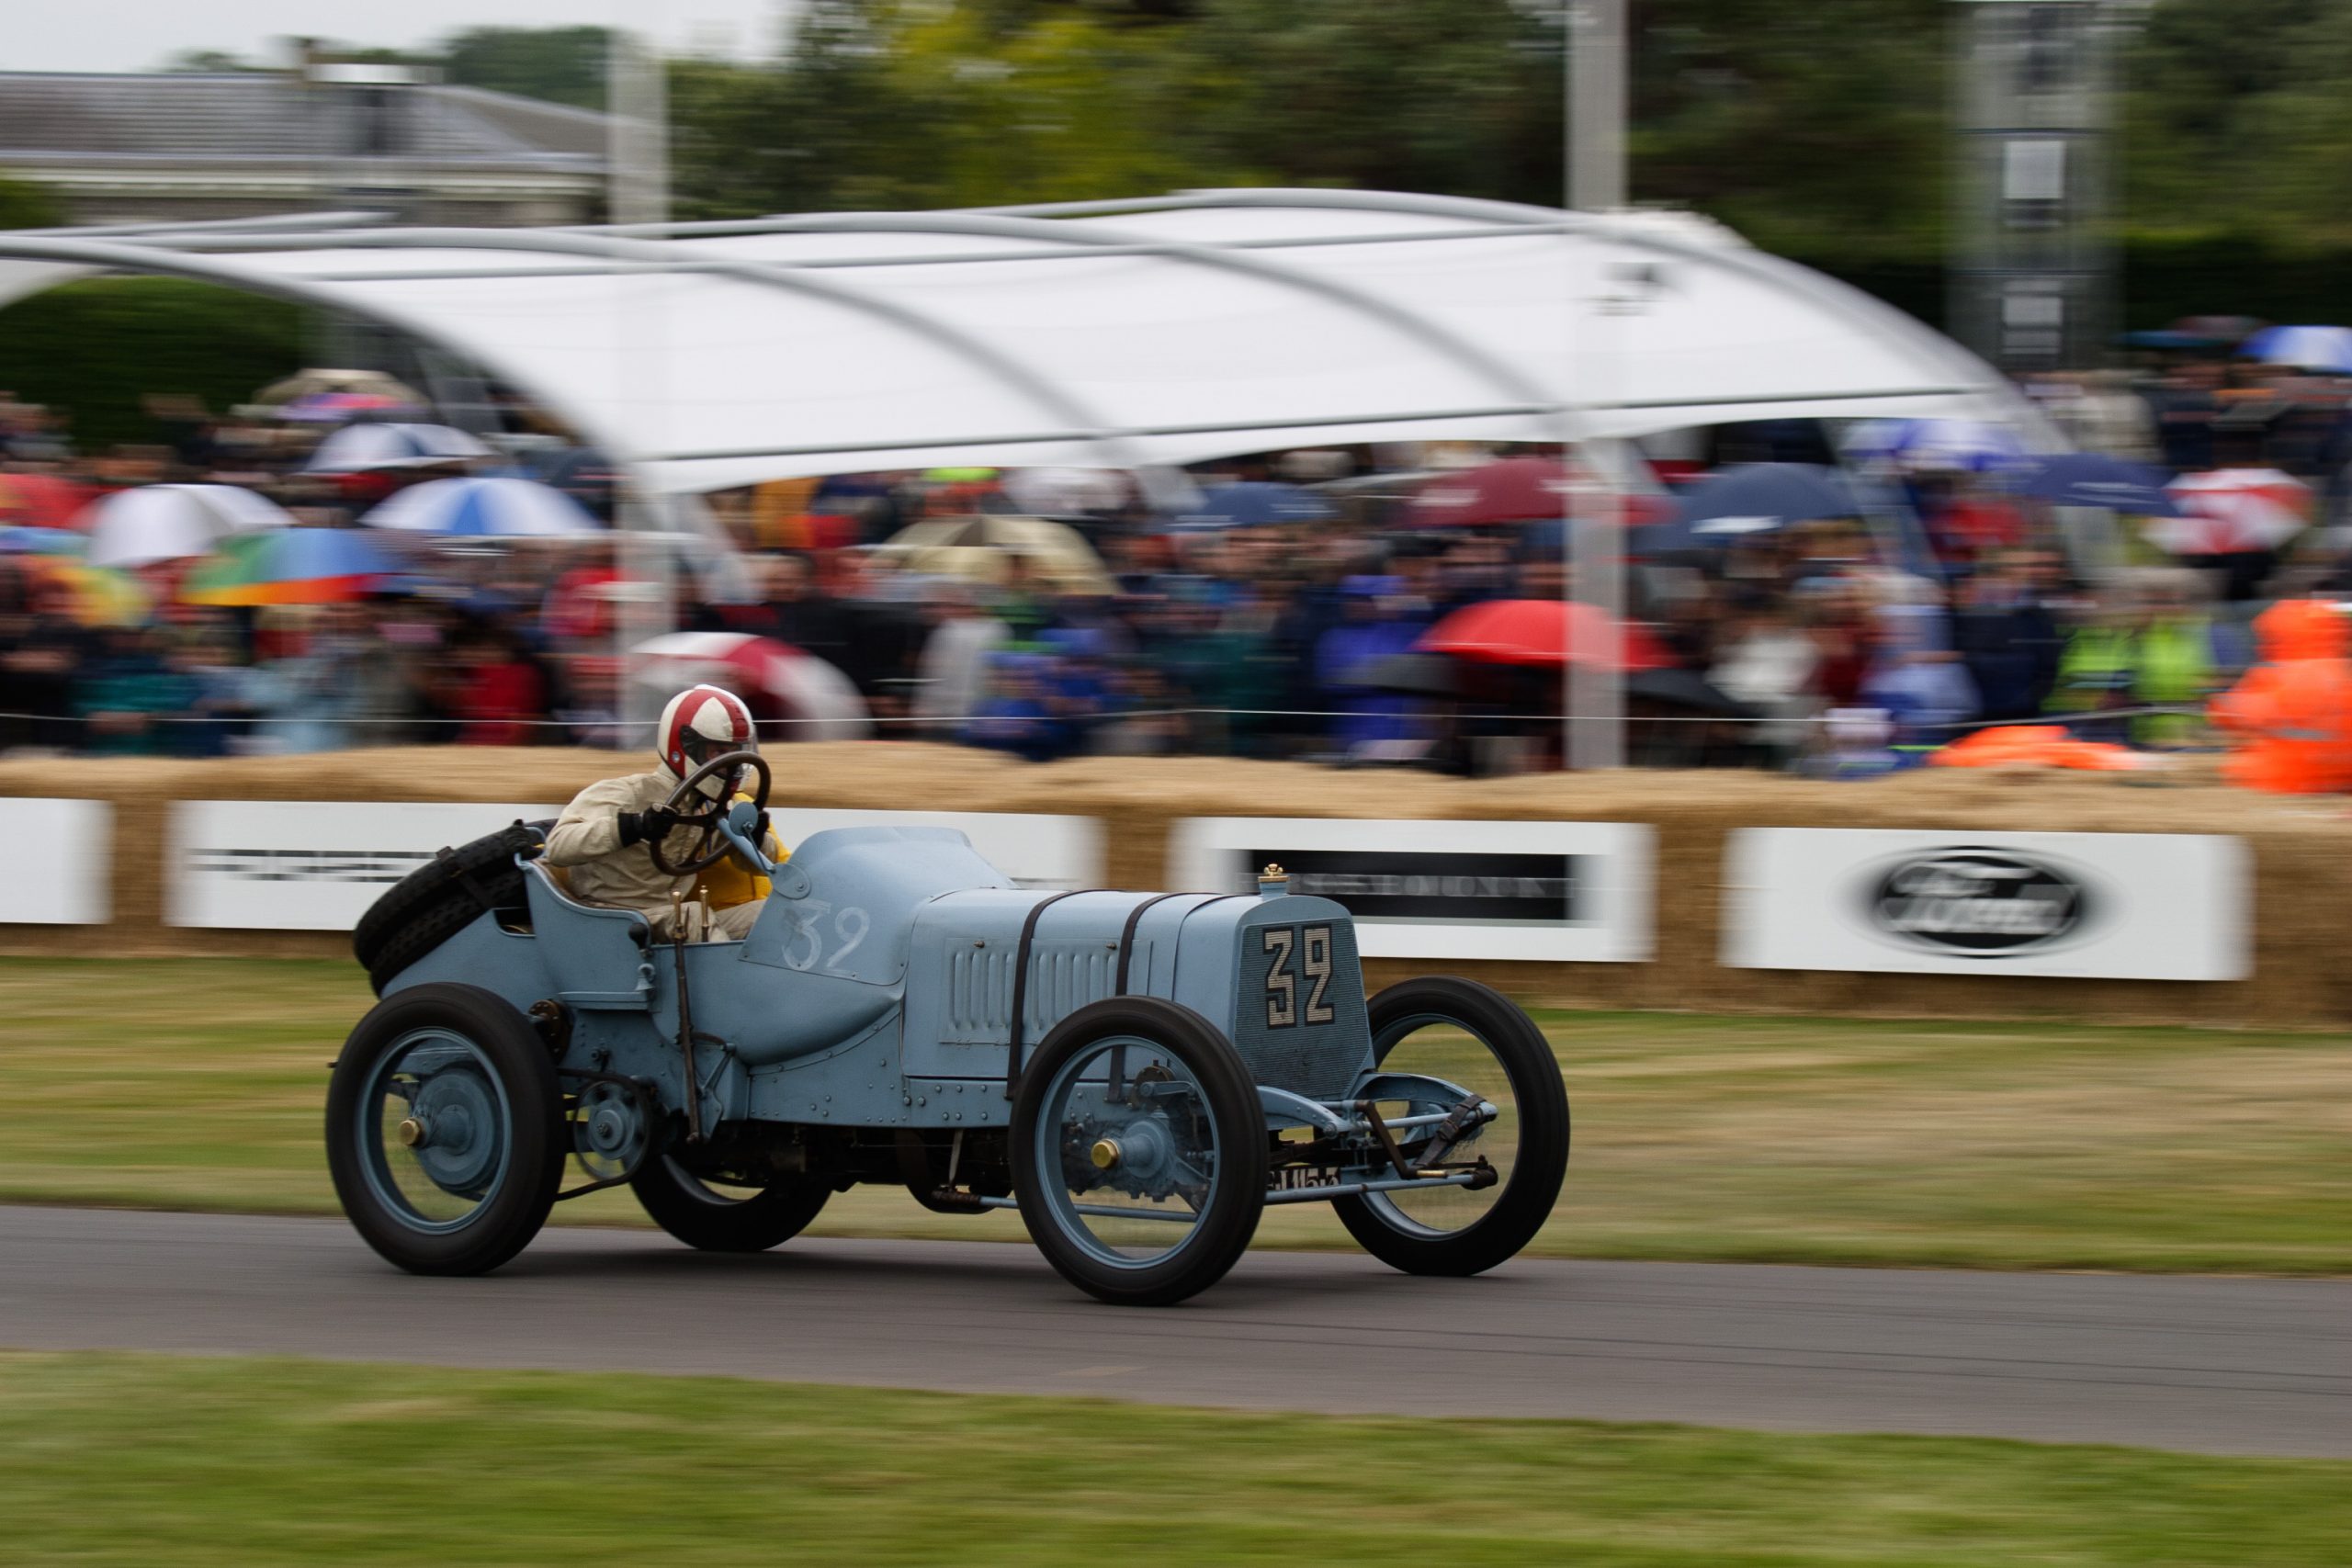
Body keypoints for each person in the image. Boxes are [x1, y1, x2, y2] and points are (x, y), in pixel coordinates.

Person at [544, 684, 781, 940]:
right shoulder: (626, 792)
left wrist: (755, 839)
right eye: (719, 752)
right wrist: (633, 826)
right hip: (611, 919)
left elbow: (756, 866)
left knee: (776, 912)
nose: (730, 763)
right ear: (687, 746)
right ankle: (731, 980)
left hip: (668, 916)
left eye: (736, 753)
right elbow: (558, 847)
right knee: (691, 917)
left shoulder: (713, 804)